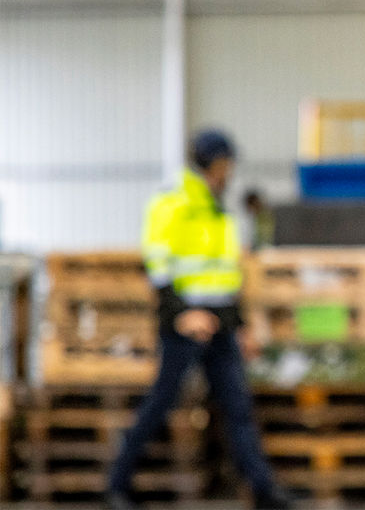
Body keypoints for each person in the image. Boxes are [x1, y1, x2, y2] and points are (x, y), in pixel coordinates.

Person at [107, 130, 292, 510]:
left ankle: (263, 490)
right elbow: (157, 266)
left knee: (238, 407)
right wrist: (182, 314)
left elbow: (226, 275)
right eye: (226, 164)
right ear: (212, 163)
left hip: (221, 324)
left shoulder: (218, 208)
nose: (230, 172)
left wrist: (240, 326)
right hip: (185, 324)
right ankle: (116, 486)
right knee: (160, 403)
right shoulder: (174, 201)